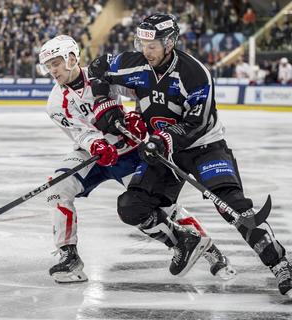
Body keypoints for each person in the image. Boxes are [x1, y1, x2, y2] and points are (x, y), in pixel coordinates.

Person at [88, 14, 292, 297]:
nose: (146, 51)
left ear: (170, 43)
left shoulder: (194, 73)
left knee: (233, 207)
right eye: (142, 44)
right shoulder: (133, 63)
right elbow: (97, 69)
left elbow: (199, 122)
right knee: (131, 207)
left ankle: (279, 262)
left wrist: (163, 139)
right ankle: (184, 240)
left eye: (153, 45)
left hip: (204, 148)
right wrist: (106, 106)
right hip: (164, 153)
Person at [38, 35, 235, 283]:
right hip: (94, 155)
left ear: (72, 58)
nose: (53, 71)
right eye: (48, 66)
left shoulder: (104, 75)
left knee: (160, 207)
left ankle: (209, 250)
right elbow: (80, 133)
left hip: (130, 152)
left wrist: (139, 117)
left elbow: (146, 92)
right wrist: (95, 143)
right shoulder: (55, 103)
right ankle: (69, 258)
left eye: (56, 63)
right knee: (57, 188)